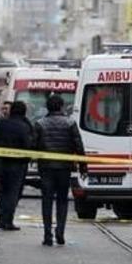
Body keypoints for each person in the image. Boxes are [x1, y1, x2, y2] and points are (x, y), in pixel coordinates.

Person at [34, 95, 85, 245]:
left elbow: (33, 145)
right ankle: (60, 232)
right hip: (64, 167)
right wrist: (83, 165)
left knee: (47, 200)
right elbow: (78, 145)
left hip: (46, 167)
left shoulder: (40, 124)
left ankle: (47, 235)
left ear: (47, 107)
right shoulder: (70, 123)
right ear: (61, 106)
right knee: (62, 200)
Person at [0, 101, 34, 231]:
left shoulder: (1, 123)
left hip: (1, 162)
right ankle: (7, 220)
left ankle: (0, 219)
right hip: (17, 164)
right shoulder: (24, 126)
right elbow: (28, 145)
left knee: (4, 192)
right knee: (13, 193)